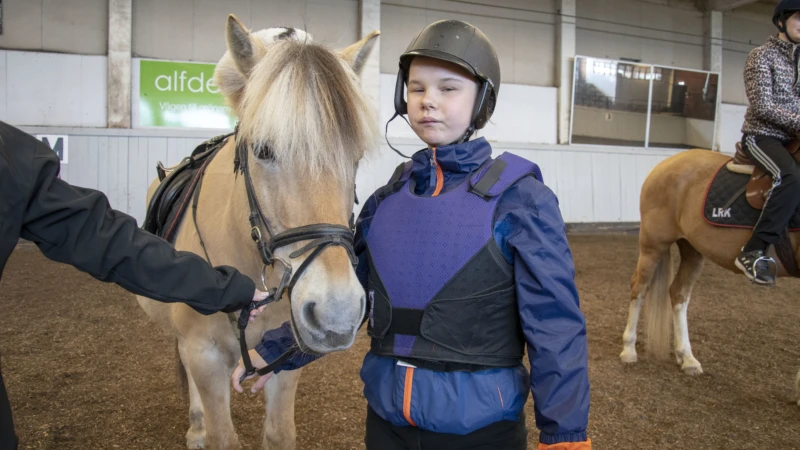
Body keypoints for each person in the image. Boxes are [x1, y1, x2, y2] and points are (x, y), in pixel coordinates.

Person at [233, 20, 591, 450]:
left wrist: (565, 435)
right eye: (417, 88)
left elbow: (555, 327)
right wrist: (277, 351)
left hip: (480, 433)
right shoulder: (388, 200)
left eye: (448, 89)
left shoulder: (521, 201)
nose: (428, 102)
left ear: (483, 100)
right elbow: (348, 296)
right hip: (386, 426)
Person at [0, 121, 269, 450]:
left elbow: (108, 240)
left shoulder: (11, 157)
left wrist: (228, 290)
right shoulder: (12, 155)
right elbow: (106, 240)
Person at [737, 0, 800, 285]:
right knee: (790, 176)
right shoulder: (761, 56)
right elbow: (762, 106)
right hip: (763, 135)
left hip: (793, 138)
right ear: (781, 21)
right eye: (799, 18)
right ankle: (753, 251)